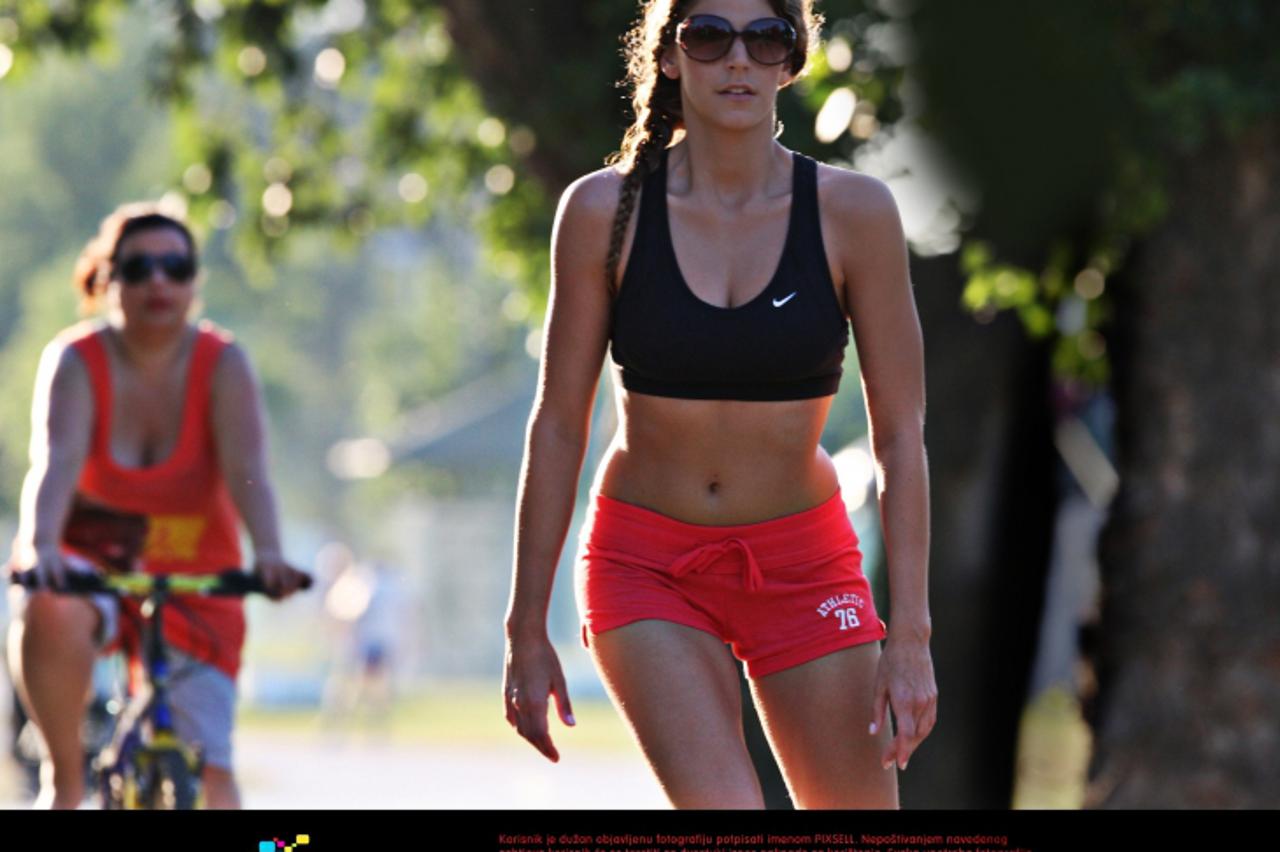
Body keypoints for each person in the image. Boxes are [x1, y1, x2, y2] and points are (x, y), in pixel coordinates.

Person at [503, 0, 935, 808]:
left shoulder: (855, 213)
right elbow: (559, 425)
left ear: (790, 59)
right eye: (708, 36)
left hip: (805, 565)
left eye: (764, 37)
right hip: (647, 565)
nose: (737, 59)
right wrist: (525, 625)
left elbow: (901, 437)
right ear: (669, 57)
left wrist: (910, 634)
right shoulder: (602, 211)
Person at [4, 202, 308, 809]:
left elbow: (251, 472)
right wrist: (40, 549)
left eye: (176, 266)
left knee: (215, 779)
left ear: (195, 280)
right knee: (50, 607)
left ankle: (282, 849)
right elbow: (55, 464)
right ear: (107, 280)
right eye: (139, 268)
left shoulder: (224, 364)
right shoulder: (75, 362)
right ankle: (63, 781)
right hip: (89, 566)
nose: (159, 282)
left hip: (199, 581)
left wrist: (271, 554)